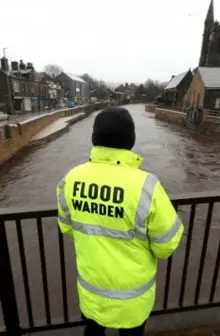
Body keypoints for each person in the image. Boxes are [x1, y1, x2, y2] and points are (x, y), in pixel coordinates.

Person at [56, 107, 184, 336]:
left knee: (93, 332)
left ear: (94, 138)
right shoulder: (146, 186)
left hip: (91, 291)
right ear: (131, 140)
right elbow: (167, 245)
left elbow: (66, 227)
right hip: (133, 298)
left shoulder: (71, 178)